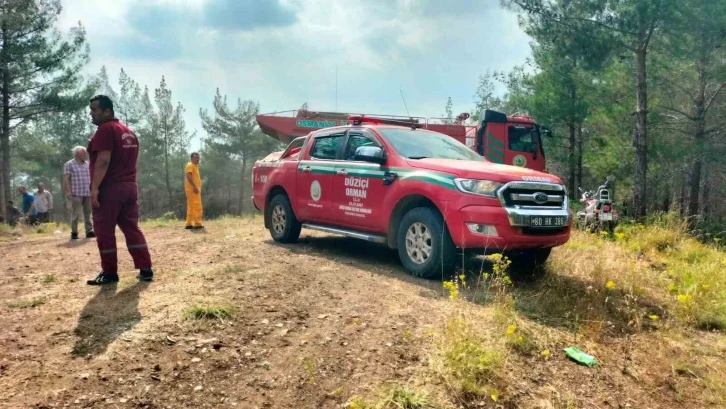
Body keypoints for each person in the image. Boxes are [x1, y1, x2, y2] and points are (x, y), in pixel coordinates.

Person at [86, 95, 153, 285]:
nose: (91, 114)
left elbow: (104, 160)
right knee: (132, 228)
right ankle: (145, 268)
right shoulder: (129, 132)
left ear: (106, 111)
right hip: (130, 187)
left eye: (94, 110)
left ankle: (109, 273)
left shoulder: (105, 130)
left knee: (104, 229)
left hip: (110, 189)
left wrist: (95, 188)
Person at [64, 146, 95, 240]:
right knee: (75, 213)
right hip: (75, 193)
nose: (86, 154)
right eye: (84, 153)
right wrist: (69, 191)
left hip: (87, 192)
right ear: (77, 153)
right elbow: (66, 179)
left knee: (88, 212)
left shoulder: (87, 164)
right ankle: (74, 232)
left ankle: (89, 231)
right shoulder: (69, 164)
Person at [184, 152, 204, 230]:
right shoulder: (190, 165)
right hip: (193, 190)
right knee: (197, 206)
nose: (197, 159)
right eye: (196, 158)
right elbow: (188, 176)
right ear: (191, 158)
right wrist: (195, 186)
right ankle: (197, 224)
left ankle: (188, 224)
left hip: (193, 190)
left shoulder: (195, 166)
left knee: (191, 206)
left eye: (198, 158)